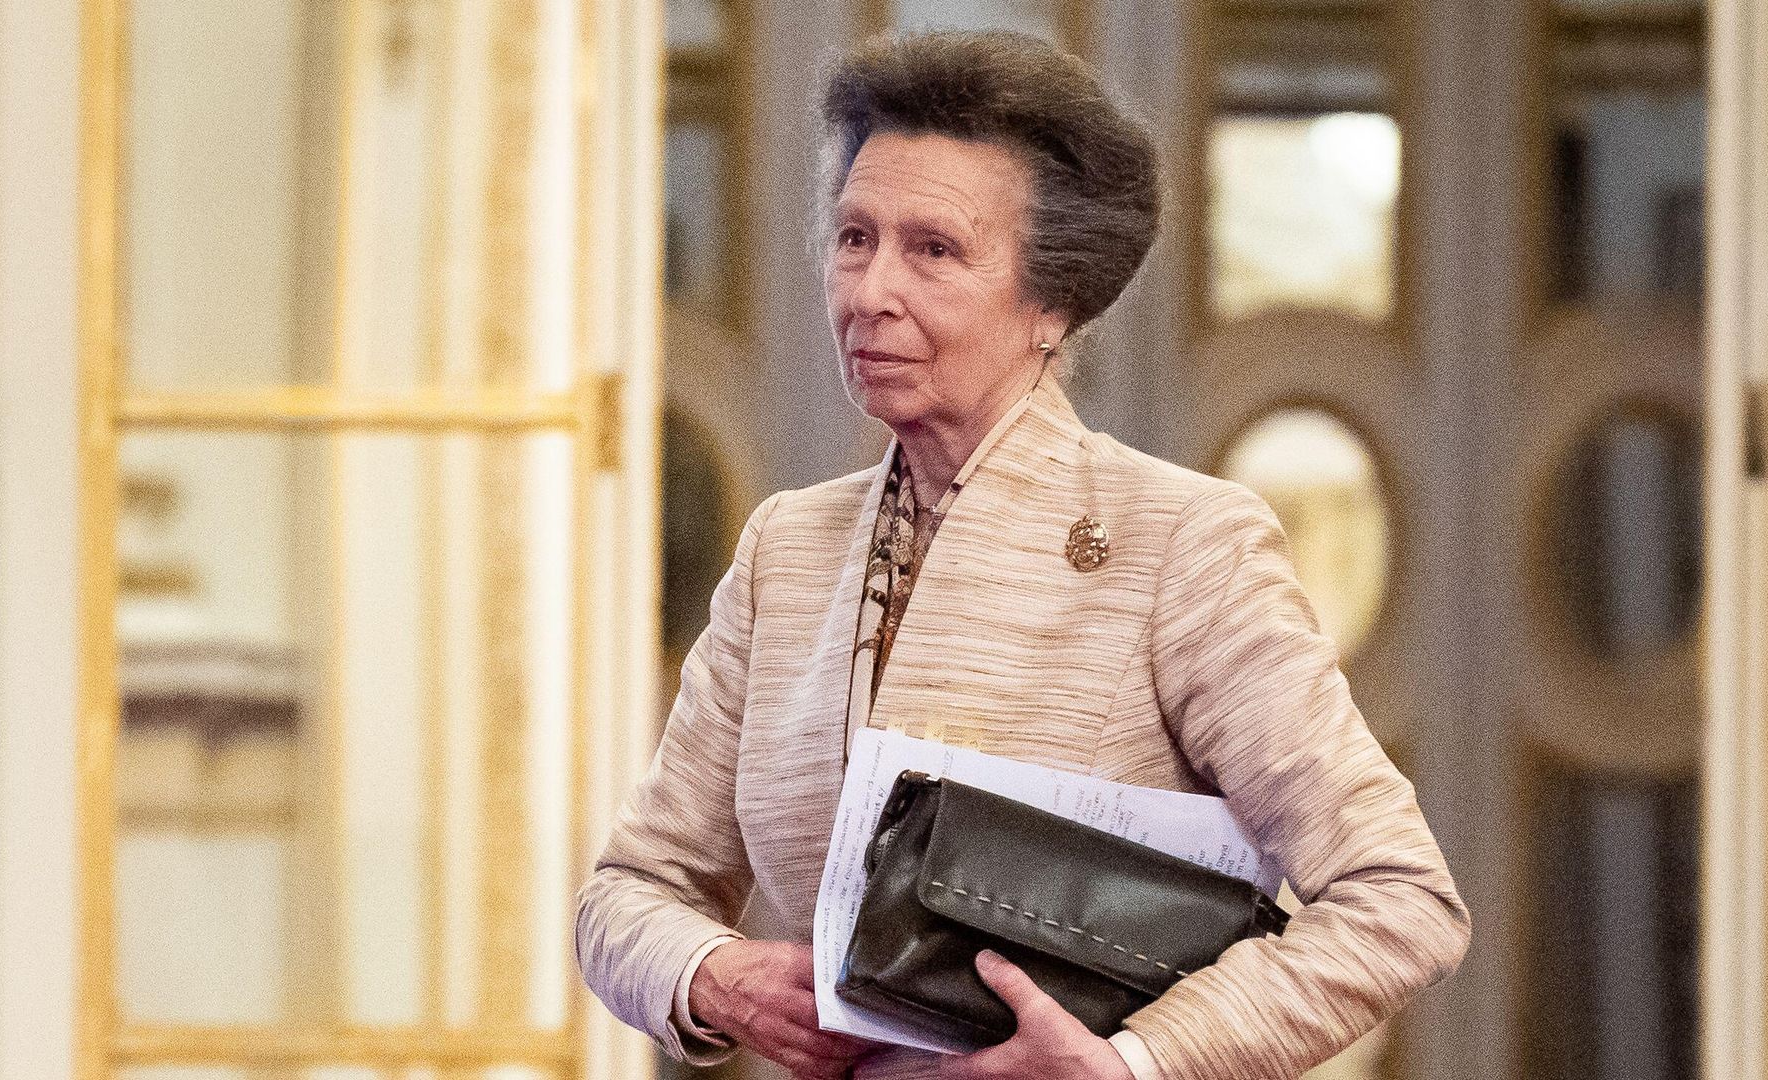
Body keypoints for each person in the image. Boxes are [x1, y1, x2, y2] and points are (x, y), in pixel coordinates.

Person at [577, 30, 1469, 1080]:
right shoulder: (788, 550)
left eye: (934, 250)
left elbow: (1402, 900)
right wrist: (711, 973)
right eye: (854, 237)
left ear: (1053, 301)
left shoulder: (1182, 545)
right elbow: (628, 892)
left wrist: (1131, 1064)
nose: (869, 292)